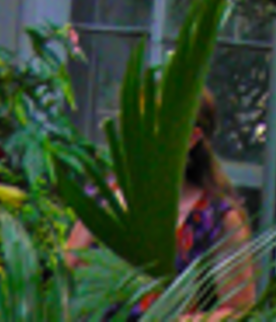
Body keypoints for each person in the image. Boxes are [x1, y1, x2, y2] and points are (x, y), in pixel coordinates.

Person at [66, 90, 257, 320]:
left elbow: (240, 311)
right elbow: (63, 287)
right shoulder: (103, 198)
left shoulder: (216, 218)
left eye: (155, 128)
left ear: (192, 138)